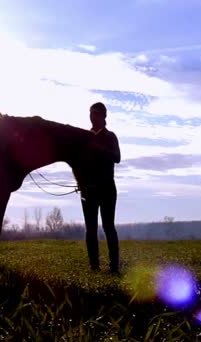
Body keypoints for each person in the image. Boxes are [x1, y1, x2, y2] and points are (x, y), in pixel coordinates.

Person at [80, 102, 121, 273]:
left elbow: (117, 157)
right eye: (91, 113)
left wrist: (100, 149)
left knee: (108, 227)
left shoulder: (110, 136)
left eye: (96, 113)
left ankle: (114, 267)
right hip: (88, 190)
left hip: (107, 190)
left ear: (104, 116)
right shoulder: (83, 137)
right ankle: (94, 267)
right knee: (90, 229)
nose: (92, 116)